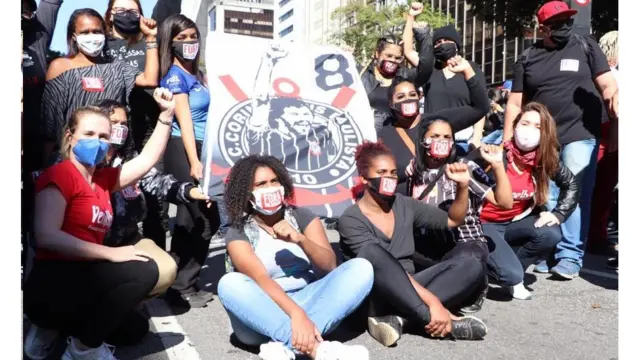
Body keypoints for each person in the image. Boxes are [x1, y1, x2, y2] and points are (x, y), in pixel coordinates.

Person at [23, 88, 175, 360]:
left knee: (134, 329)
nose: (98, 141)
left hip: (85, 279)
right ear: (70, 138)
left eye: (104, 137)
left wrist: (166, 115)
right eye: (89, 135)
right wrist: (112, 254)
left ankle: (61, 330)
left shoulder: (103, 180)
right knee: (144, 271)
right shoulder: (60, 175)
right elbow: (46, 235)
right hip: (53, 282)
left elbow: (145, 161)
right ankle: (78, 347)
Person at [217, 155, 373, 360]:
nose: (270, 188)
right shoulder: (238, 231)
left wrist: (300, 240)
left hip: (311, 303)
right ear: (247, 194)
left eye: (274, 181)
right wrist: (296, 315)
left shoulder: (302, 217)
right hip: (262, 316)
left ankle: (286, 347)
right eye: (261, 184)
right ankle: (317, 348)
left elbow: (329, 267)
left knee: (361, 267)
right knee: (229, 283)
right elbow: (261, 280)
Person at [504, 1, 618, 279]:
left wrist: (616, 121)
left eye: (567, 20)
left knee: (575, 192)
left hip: (582, 134)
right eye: (556, 23)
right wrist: (507, 141)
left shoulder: (586, 46)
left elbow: (608, 86)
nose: (564, 27)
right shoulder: (528, 57)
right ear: (542, 27)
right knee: (548, 194)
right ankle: (549, 249)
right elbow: (515, 103)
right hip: (545, 139)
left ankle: (570, 254)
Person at [339, 141, 487, 347]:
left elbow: (453, 220)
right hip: (374, 296)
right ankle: (435, 321)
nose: (389, 178)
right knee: (373, 253)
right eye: (381, 172)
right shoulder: (350, 219)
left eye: (392, 173)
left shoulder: (404, 204)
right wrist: (434, 303)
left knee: (471, 264)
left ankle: (401, 320)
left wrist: (463, 186)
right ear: (364, 178)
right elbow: (385, 269)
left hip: (412, 288)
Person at [405, 117, 513, 312]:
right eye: (435, 136)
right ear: (422, 140)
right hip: (432, 244)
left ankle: (476, 283)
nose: (441, 141)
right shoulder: (414, 170)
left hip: (465, 242)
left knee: (466, 260)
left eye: (447, 137)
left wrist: (497, 166)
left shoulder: (465, 167)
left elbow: (504, 203)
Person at [481, 103, 579, 299]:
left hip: (513, 223)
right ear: (515, 126)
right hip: (483, 223)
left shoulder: (545, 160)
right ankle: (489, 274)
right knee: (510, 274)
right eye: (525, 123)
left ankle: (510, 272)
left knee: (550, 233)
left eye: (538, 127)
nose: (530, 131)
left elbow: (571, 185)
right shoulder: (492, 154)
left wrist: (558, 214)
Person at [40, 8, 159, 165]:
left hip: (110, 156)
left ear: (105, 33)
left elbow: (150, 79)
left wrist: (150, 38)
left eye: (96, 31)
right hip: (71, 157)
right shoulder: (61, 66)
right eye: (85, 32)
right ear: (74, 36)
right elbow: (49, 122)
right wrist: (45, 167)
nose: (92, 37)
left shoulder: (116, 67)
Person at [158, 14, 219, 308]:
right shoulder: (174, 76)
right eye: (181, 38)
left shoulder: (200, 75)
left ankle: (182, 282)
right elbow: (183, 120)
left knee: (199, 218)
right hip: (183, 147)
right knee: (198, 215)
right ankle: (180, 284)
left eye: (193, 36)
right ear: (170, 42)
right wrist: (194, 162)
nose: (189, 43)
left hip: (203, 147)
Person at [104, 0, 171, 249]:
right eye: (120, 10)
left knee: (156, 201)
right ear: (110, 14)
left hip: (147, 129)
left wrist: (151, 36)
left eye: (133, 11)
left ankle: (157, 265)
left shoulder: (147, 43)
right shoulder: (101, 44)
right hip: (112, 130)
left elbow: (152, 79)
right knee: (109, 194)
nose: (127, 15)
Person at [377, 56, 490, 195]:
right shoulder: (382, 135)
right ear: (391, 104)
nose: (408, 99)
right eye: (400, 97)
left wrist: (467, 71)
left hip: (441, 204)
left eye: (412, 94)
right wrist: (403, 172)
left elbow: (481, 108)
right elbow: (377, 176)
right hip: (403, 207)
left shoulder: (438, 122)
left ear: (419, 97)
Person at [406, 18, 487, 152]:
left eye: (446, 41)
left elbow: (480, 104)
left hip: (464, 141)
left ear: (456, 44)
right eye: (438, 42)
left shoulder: (470, 68)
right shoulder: (429, 70)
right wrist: (410, 18)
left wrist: (476, 138)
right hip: (433, 139)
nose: (442, 44)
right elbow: (408, 51)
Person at [360, 16, 432, 131]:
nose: (393, 60)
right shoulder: (360, 75)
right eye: (388, 56)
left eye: (397, 58)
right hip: (367, 136)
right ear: (377, 54)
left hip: (398, 135)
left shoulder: (405, 76)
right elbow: (340, 102)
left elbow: (425, 70)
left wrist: (424, 37)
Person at [588, 30, 618, 266]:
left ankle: (595, 235)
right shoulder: (610, 74)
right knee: (599, 190)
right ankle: (595, 236)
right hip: (605, 134)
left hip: (606, 133)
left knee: (600, 191)